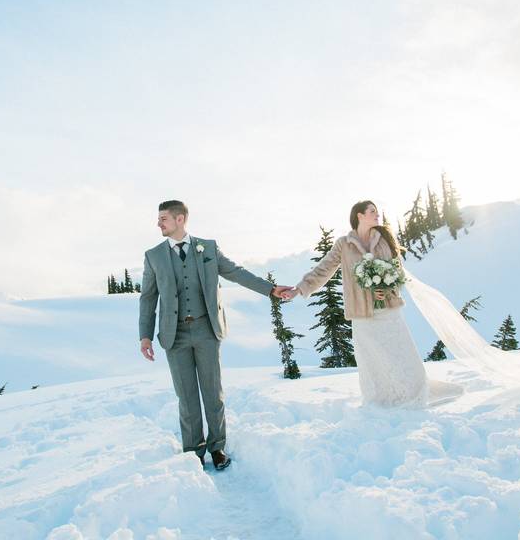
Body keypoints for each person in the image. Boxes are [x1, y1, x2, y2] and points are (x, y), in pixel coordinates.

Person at [138, 200, 293, 470]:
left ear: (180, 219)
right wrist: (145, 336)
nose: (158, 223)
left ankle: (218, 447)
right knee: (186, 396)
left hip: (206, 329)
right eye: (159, 218)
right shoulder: (153, 256)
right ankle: (194, 452)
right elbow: (148, 298)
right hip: (174, 335)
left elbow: (236, 273)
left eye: (163, 218)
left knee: (213, 393)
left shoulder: (207, 248)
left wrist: (270, 289)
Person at [282, 200, 463, 407]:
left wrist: (386, 289)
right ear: (359, 215)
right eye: (372, 211)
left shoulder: (384, 239)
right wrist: (299, 288)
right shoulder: (344, 244)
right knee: (372, 360)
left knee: (403, 354)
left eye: (377, 211)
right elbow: (323, 270)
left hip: (389, 310)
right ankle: (381, 399)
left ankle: (413, 393)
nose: (377, 215)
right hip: (361, 314)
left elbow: (397, 271)